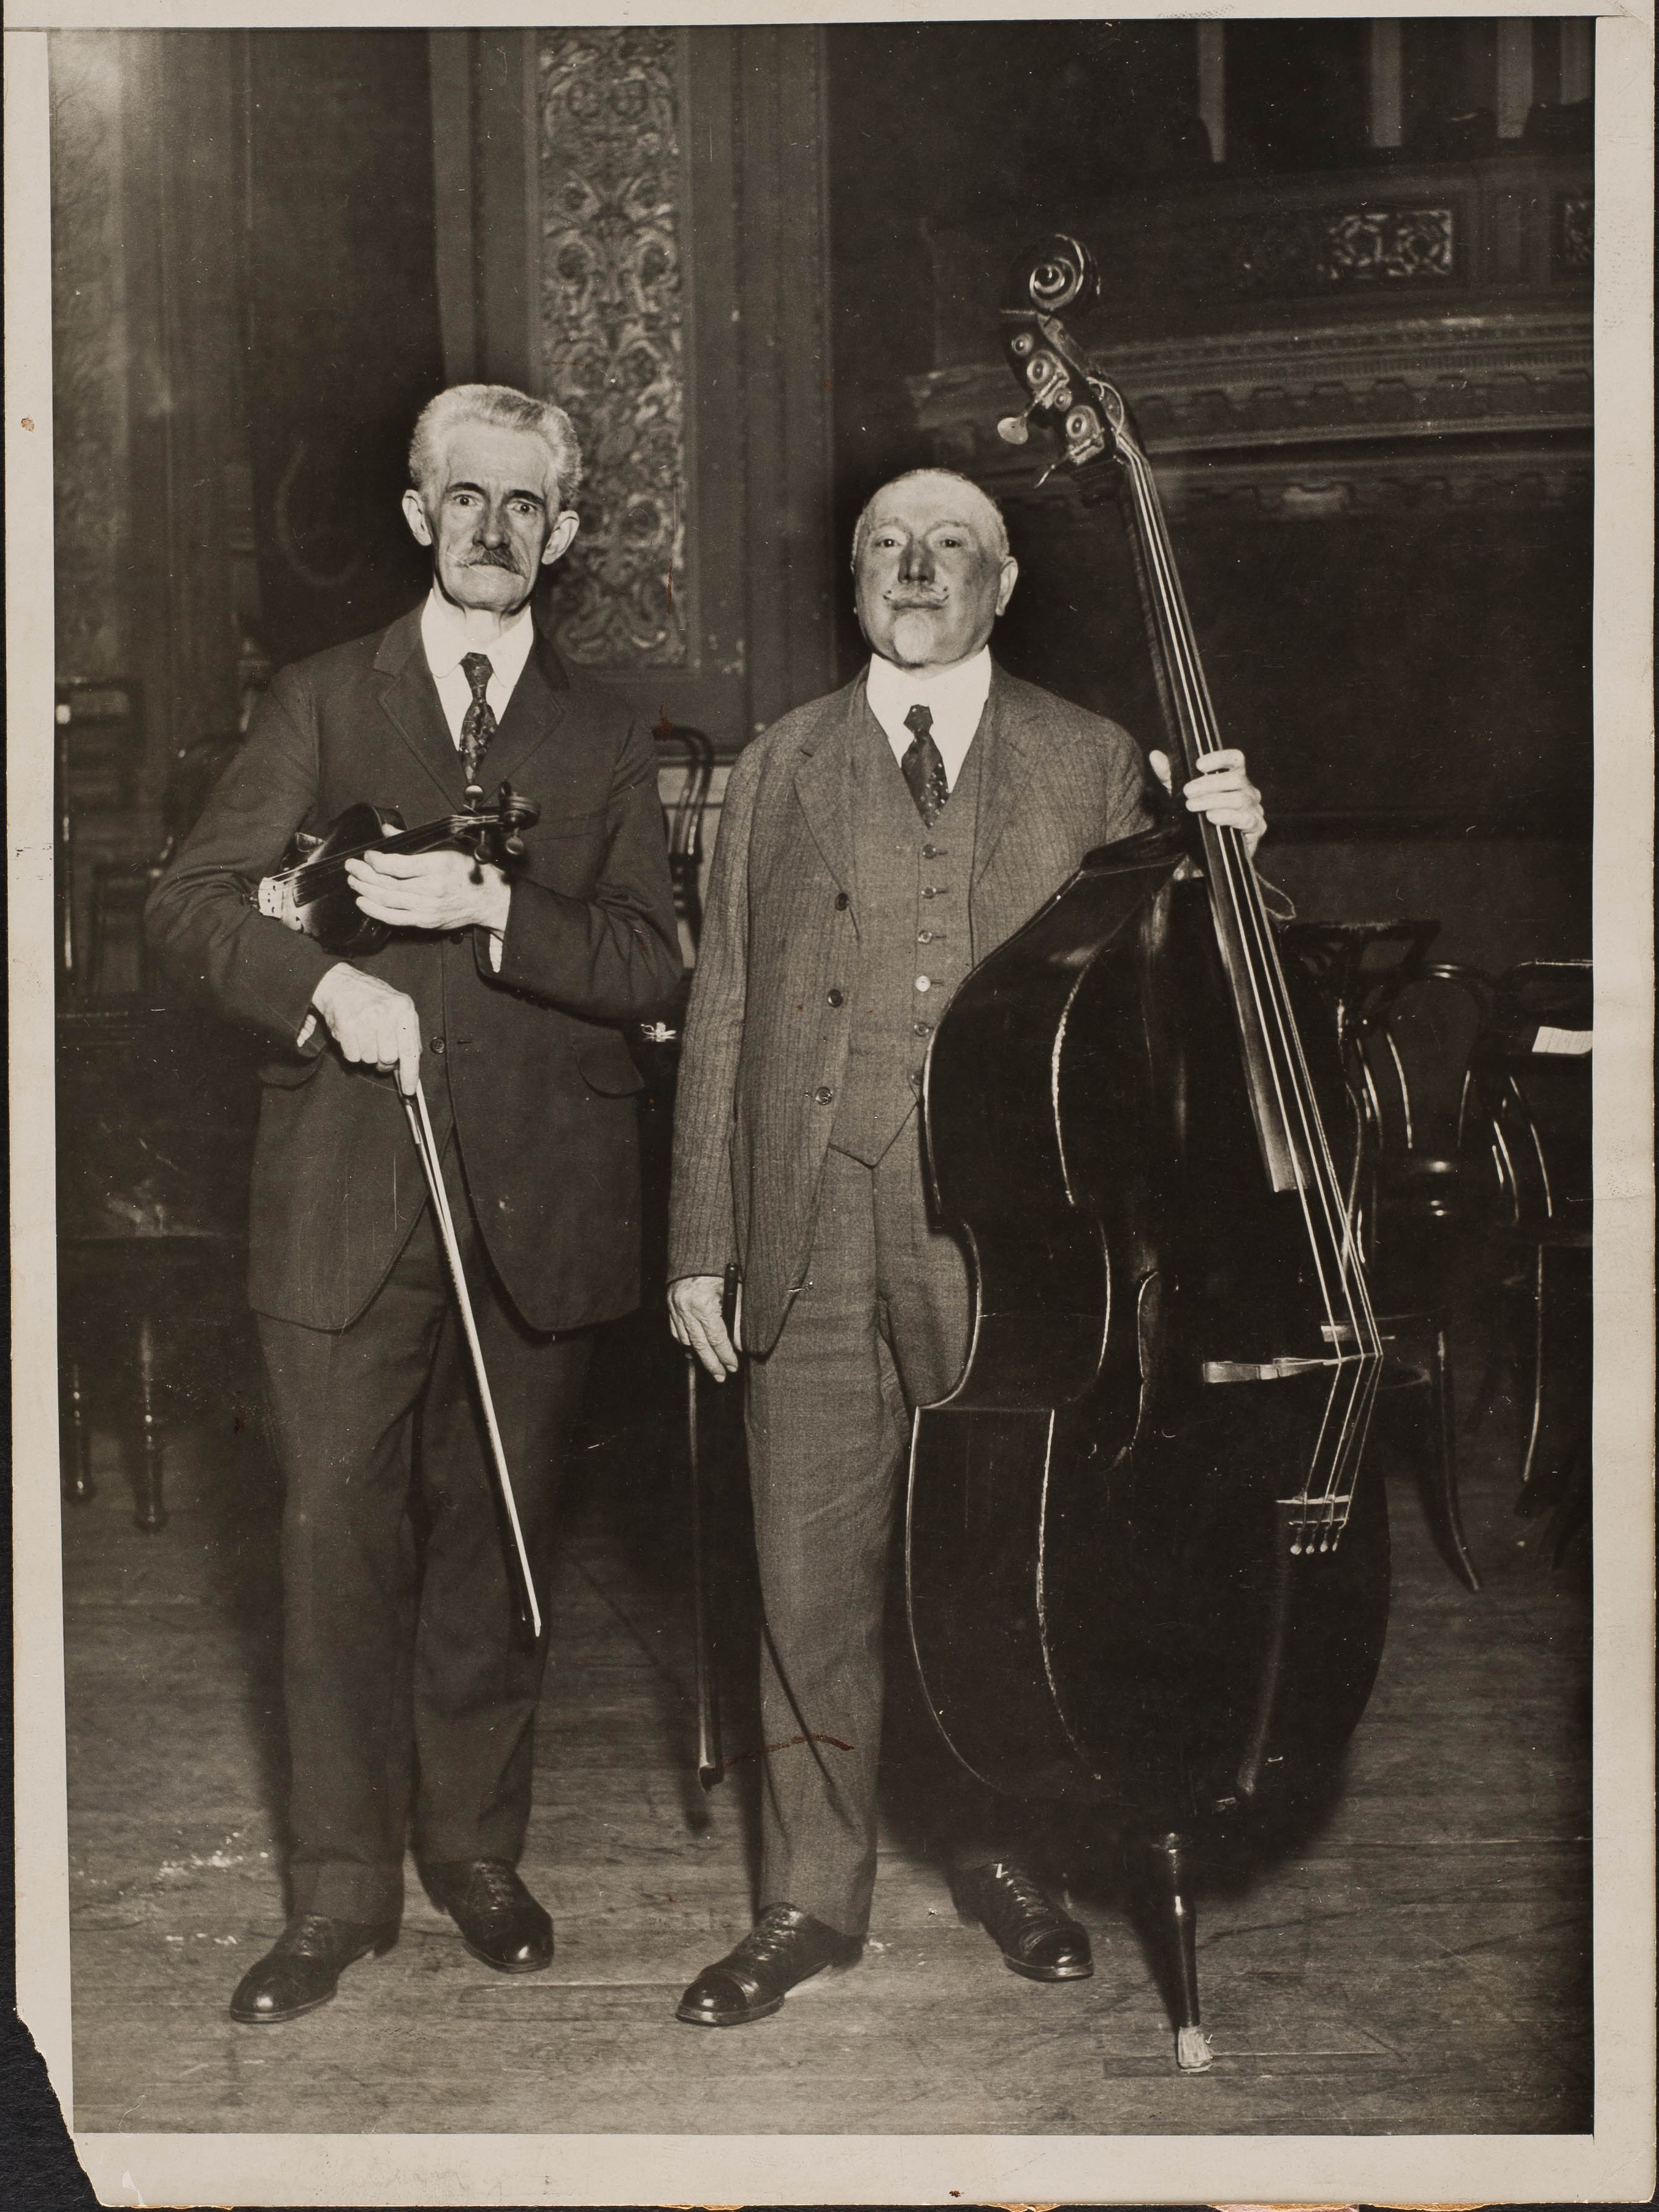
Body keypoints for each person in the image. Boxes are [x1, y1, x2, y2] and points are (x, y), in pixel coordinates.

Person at [666, 467, 1266, 2026]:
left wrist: (1234, 856)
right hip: (803, 1231)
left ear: (1005, 585)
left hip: (1010, 1250)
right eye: (885, 545)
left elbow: (1195, 991)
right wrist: (699, 1244)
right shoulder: (778, 764)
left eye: (951, 548)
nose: (915, 566)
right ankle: (809, 1895)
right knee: (806, 1581)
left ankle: (1011, 1855)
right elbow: (724, 1004)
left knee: (999, 1572)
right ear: (852, 580)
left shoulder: (1089, 760)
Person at [147, 383, 683, 2024]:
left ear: (568, 533)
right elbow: (185, 909)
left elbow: (653, 958)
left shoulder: (601, 736)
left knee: (489, 1543)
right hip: (340, 1198)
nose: (494, 530)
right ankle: (335, 1894)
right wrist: (323, 989)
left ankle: (474, 1854)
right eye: (466, 497)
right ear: (414, 511)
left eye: (529, 506)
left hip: (537, 1203)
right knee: (329, 1543)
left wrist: (497, 906)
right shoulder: (318, 701)